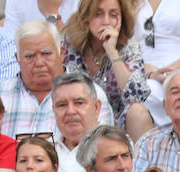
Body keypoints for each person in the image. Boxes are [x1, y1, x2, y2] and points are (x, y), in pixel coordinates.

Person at [0, 21, 114, 140]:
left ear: (61, 53)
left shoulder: (90, 94)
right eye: (29, 56)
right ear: (18, 58)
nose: (39, 63)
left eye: (46, 54)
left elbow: (103, 148)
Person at [62, 0, 153, 137]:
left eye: (113, 14)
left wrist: (112, 52)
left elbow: (136, 97)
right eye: (98, 14)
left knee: (138, 112)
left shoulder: (129, 47)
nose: (106, 21)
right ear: (86, 18)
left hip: (116, 126)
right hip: (77, 118)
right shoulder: (69, 44)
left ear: (122, 18)